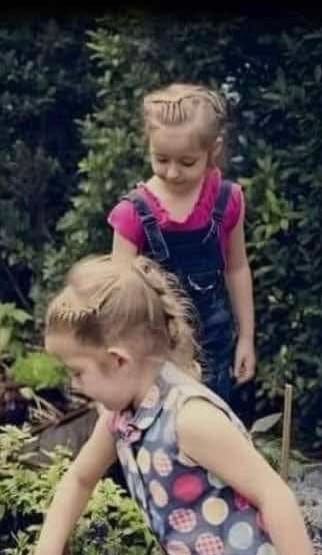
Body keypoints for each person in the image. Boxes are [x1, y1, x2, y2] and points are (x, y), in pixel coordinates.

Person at [27, 254, 322, 555]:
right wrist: (47, 549)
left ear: (118, 360)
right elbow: (80, 478)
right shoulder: (120, 414)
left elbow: (274, 493)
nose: (73, 385)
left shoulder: (190, 419)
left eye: (77, 372)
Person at [109, 83, 254, 412]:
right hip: (155, 348)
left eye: (187, 162)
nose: (172, 173)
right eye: (161, 159)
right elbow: (119, 292)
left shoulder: (227, 200)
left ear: (213, 150)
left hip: (214, 346)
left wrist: (246, 338)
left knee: (212, 422)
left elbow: (237, 268)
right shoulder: (134, 212)